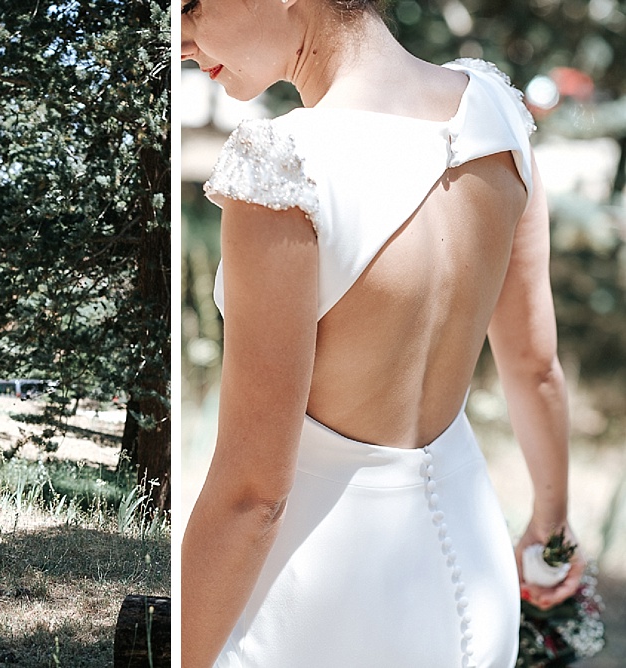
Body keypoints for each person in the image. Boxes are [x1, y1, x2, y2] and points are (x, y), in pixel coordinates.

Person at [181, 2, 585, 667]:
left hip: (322, 609)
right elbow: (536, 365)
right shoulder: (497, 110)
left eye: (192, 8)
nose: (182, 39)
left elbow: (254, 495)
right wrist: (551, 526)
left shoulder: (282, 165)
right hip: (474, 581)